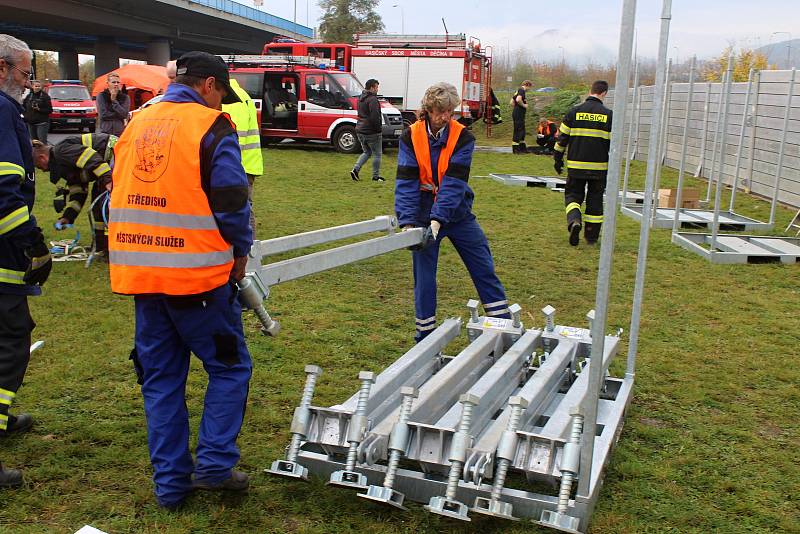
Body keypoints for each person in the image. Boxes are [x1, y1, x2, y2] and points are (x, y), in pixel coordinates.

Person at [108, 51, 253, 509]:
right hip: (198, 282)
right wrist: (242, 252)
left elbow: (117, 194)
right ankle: (212, 465)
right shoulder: (211, 127)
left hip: (143, 278)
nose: (220, 104)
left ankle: (171, 486)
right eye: (221, 95)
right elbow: (232, 202)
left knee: (161, 380)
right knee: (230, 368)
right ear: (209, 85)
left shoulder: (136, 124)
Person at [395, 82, 511, 342]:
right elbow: (406, 180)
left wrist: (439, 218)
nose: (445, 117)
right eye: (439, 111)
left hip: (457, 212)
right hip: (423, 215)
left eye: (449, 111)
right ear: (428, 109)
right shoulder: (410, 136)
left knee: (483, 265)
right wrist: (408, 222)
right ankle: (424, 335)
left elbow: (454, 182)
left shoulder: (463, 136)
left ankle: (502, 325)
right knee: (424, 278)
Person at [0, 33, 52, 487]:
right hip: (1, 253)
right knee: (10, 339)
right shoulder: (0, 109)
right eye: (23, 72)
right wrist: (32, 242)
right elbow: (3, 191)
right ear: (1, 69)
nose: (28, 80)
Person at [31, 133, 117, 252]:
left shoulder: (61, 152)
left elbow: (91, 157)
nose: (43, 171)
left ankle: (112, 248)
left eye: (39, 167)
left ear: (42, 158)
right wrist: (68, 217)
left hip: (114, 154)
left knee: (104, 206)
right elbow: (79, 192)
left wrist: (108, 180)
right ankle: (101, 246)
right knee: (96, 207)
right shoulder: (63, 165)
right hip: (105, 164)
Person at [553, 80, 612, 246]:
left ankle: (574, 221)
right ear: (604, 93)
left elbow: (561, 139)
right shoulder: (609, 115)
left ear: (590, 91)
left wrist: (557, 159)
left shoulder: (574, 112)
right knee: (595, 199)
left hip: (576, 166)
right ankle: (591, 237)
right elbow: (614, 146)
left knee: (572, 196)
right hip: (599, 168)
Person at [223, 77, 262, 233]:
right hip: (246, 163)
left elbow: (235, 136)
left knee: (242, 209)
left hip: (239, 165)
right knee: (244, 207)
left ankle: (251, 250)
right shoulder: (241, 95)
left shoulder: (230, 99)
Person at [351, 78, 384, 182]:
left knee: (367, 152)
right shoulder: (373, 99)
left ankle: (355, 170)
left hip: (360, 129)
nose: (377, 89)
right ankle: (375, 176)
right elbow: (375, 116)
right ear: (371, 87)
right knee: (377, 154)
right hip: (371, 131)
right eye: (376, 87)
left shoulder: (361, 98)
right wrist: (378, 129)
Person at [511, 80, 532, 154]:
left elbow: (512, 102)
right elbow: (518, 99)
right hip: (518, 114)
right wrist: (524, 106)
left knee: (522, 131)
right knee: (518, 130)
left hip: (517, 113)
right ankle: (516, 150)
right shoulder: (522, 90)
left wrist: (517, 107)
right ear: (527, 85)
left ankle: (522, 148)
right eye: (530, 87)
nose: (529, 89)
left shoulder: (518, 91)